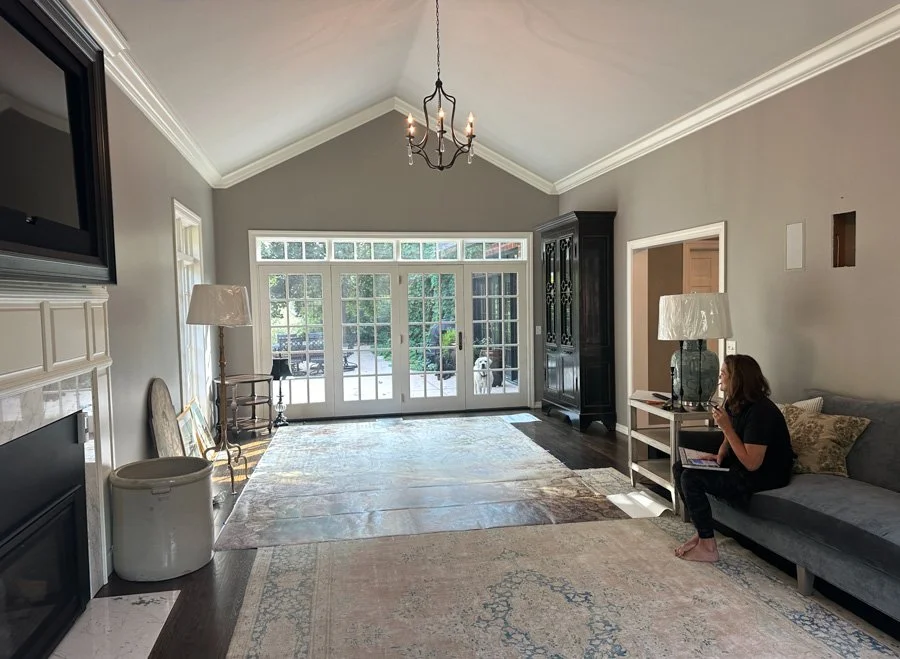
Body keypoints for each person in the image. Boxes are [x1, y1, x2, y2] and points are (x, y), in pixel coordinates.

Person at [673, 354, 794, 562]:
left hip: (765, 474)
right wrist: (719, 456)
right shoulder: (735, 402)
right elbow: (733, 437)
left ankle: (709, 549)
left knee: (691, 479)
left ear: (737, 379)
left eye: (723, 374)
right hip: (743, 466)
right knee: (680, 468)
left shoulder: (761, 412)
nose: (719, 378)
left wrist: (726, 427)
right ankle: (703, 534)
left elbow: (752, 463)